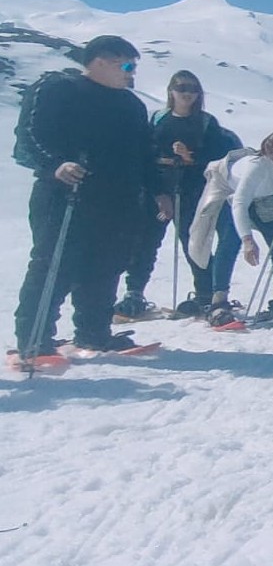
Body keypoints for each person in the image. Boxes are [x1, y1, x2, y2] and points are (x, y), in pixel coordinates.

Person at [11, 36, 161, 368]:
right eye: (127, 66)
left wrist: (157, 191)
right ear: (100, 61)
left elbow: (144, 155)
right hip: (66, 194)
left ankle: (93, 333)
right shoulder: (58, 89)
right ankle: (34, 340)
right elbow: (30, 135)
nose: (131, 73)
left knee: (105, 266)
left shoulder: (131, 105)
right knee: (54, 264)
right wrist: (55, 164)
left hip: (116, 199)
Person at [117, 69, 234, 319]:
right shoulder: (158, 119)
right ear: (171, 90)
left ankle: (206, 294)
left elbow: (217, 158)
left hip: (190, 189)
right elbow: (145, 153)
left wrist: (191, 158)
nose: (187, 93)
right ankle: (134, 293)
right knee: (146, 240)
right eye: (182, 88)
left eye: (192, 89)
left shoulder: (206, 122)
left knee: (194, 242)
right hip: (159, 189)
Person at [200, 130, 273, 328]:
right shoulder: (256, 168)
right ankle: (218, 301)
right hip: (233, 195)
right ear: (268, 152)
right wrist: (248, 240)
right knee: (229, 243)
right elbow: (240, 203)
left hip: (267, 198)